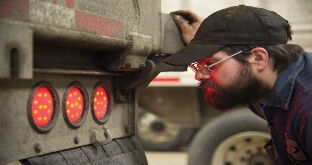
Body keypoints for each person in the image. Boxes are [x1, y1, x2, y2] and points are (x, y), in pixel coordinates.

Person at [164, 5, 312, 164]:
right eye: (198, 65)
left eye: (211, 64)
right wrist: (203, 40)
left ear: (258, 58)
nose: (199, 75)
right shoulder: (262, 86)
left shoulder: (307, 107)